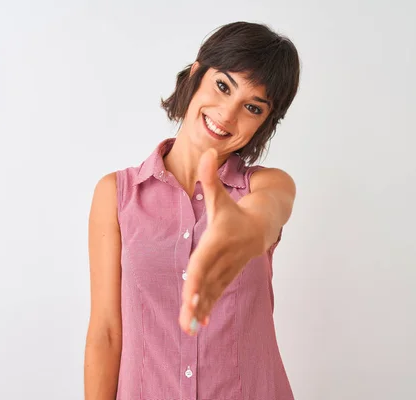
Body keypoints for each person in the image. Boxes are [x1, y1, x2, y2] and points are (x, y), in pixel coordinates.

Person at [84, 21, 300, 400]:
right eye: (222, 85)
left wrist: (251, 226)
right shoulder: (116, 195)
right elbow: (105, 332)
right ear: (196, 74)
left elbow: (271, 208)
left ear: (264, 124)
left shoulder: (265, 186)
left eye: (252, 107)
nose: (227, 114)